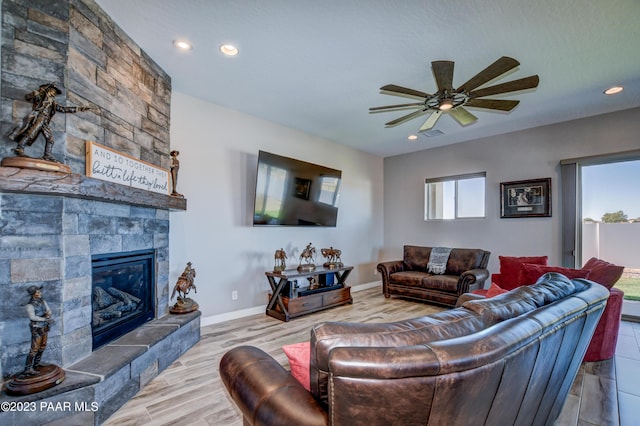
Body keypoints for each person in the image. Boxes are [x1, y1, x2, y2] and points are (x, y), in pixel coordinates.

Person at [8, 83, 93, 163]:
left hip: (45, 120)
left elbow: (63, 109)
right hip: (38, 117)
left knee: (50, 139)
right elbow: (28, 97)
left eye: (55, 92)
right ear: (49, 90)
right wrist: (38, 92)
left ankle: (47, 155)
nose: (54, 93)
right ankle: (19, 148)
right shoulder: (41, 96)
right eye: (53, 91)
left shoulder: (53, 103)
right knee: (31, 133)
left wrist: (79, 108)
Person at [23, 285, 52, 375]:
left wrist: (48, 315)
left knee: (42, 346)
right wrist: (44, 318)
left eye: (39, 292)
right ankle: (28, 368)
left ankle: (36, 363)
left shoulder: (43, 301)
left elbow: (48, 311)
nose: (40, 293)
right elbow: (32, 317)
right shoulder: (29, 306)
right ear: (33, 295)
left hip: (44, 327)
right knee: (34, 349)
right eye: (38, 292)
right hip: (36, 328)